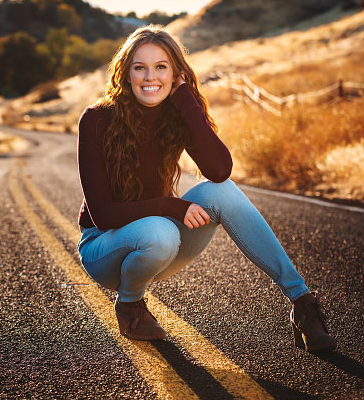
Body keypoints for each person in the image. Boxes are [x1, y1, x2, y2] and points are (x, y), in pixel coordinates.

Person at [76, 25, 336, 351]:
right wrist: (172, 206)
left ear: (175, 74)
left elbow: (219, 170)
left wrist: (186, 101)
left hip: (160, 242)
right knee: (160, 231)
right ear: (126, 74)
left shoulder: (178, 111)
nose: (149, 77)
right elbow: (102, 215)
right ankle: (130, 304)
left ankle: (302, 303)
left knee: (220, 191)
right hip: (104, 247)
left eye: (161, 67)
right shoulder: (97, 119)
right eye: (139, 67)